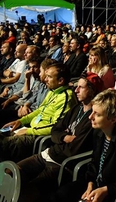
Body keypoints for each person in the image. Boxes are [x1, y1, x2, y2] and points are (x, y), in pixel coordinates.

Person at [0, 63, 77, 195]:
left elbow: (55, 127)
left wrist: (28, 131)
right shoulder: (53, 92)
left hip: (36, 137)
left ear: (60, 80)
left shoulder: (66, 97)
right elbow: (39, 111)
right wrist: (20, 121)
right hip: (28, 128)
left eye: (49, 77)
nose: (45, 79)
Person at [17, 73, 105, 202]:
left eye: (81, 87)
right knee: (12, 173)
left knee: (27, 192)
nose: (76, 90)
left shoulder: (93, 119)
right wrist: (64, 137)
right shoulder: (76, 108)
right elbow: (55, 130)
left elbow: (74, 148)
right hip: (47, 154)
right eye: (77, 87)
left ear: (92, 91)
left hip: (61, 163)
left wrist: (60, 137)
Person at [50, 89, 116, 202]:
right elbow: (94, 163)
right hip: (96, 185)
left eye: (97, 114)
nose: (90, 117)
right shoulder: (99, 132)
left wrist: (107, 190)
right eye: (92, 112)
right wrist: (90, 183)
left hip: (114, 191)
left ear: (113, 119)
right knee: (59, 195)